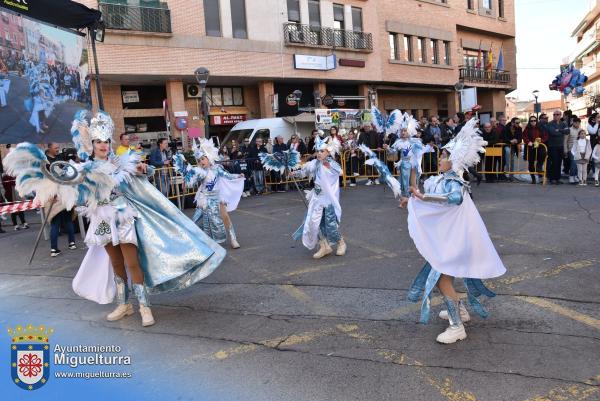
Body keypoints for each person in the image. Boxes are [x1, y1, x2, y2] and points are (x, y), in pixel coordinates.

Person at [5, 111, 227, 327]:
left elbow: (147, 171)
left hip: (122, 215)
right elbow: (74, 191)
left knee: (132, 262)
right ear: (91, 143)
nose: (103, 145)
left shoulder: (120, 162)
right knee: (116, 263)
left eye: (106, 141)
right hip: (101, 219)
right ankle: (124, 304)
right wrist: (56, 189)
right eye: (98, 141)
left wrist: (143, 167)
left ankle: (144, 307)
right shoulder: (82, 168)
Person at [406, 118, 506, 344]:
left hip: (456, 240)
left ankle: (457, 326)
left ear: (453, 161)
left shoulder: (455, 182)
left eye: (444, 157)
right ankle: (459, 312)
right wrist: (413, 199)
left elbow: (454, 199)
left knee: (442, 279)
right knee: (443, 278)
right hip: (450, 238)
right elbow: (432, 201)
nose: (440, 159)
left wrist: (423, 197)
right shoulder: (442, 179)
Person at [173, 138, 244, 249]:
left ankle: (233, 238)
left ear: (208, 157)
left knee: (225, 217)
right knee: (197, 221)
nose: (201, 162)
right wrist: (186, 182)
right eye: (199, 160)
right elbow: (192, 181)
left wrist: (237, 176)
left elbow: (227, 175)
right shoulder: (200, 172)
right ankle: (199, 242)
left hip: (218, 198)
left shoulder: (216, 169)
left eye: (203, 159)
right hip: (205, 200)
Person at [291, 136, 346, 259]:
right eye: (318, 151)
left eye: (322, 151)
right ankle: (324, 246)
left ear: (328, 152)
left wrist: (326, 163)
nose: (319, 154)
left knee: (330, 224)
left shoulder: (332, 164)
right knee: (314, 223)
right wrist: (294, 173)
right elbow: (304, 171)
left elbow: (339, 172)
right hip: (317, 198)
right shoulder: (315, 164)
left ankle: (341, 243)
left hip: (329, 200)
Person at [45, 143, 76, 256]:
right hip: (52, 195)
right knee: (55, 222)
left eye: (58, 148)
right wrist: (50, 193)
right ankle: (54, 249)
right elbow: (44, 178)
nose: (58, 150)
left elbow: (68, 172)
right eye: (56, 148)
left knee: (67, 219)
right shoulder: (45, 161)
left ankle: (71, 243)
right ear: (49, 148)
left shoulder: (60, 158)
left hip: (64, 192)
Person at [544, 110, 570, 185]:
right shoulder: (550, 123)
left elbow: (567, 131)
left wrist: (559, 130)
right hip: (552, 146)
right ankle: (552, 178)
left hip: (560, 146)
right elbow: (553, 133)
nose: (556, 115)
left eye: (557, 114)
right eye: (554, 114)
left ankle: (557, 178)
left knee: (559, 162)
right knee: (554, 162)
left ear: (560, 115)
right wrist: (561, 131)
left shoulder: (563, 123)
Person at [522, 116, 548, 184]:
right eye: (531, 121)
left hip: (540, 147)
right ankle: (533, 179)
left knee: (539, 163)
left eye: (534, 120)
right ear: (529, 122)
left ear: (536, 121)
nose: (533, 122)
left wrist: (540, 141)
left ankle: (541, 178)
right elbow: (524, 136)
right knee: (531, 163)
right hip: (531, 148)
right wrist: (528, 142)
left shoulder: (541, 127)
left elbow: (545, 136)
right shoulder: (527, 128)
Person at [565, 118, 581, 184]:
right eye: (576, 122)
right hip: (571, 149)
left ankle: (575, 176)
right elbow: (565, 140)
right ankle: (571, 177)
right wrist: (565, 150)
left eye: (578, 123)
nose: (577, 124)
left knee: (577, 163)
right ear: (573, 123)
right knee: (573, 163)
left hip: (579, 149)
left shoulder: (581, 130)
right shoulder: (569, 130)